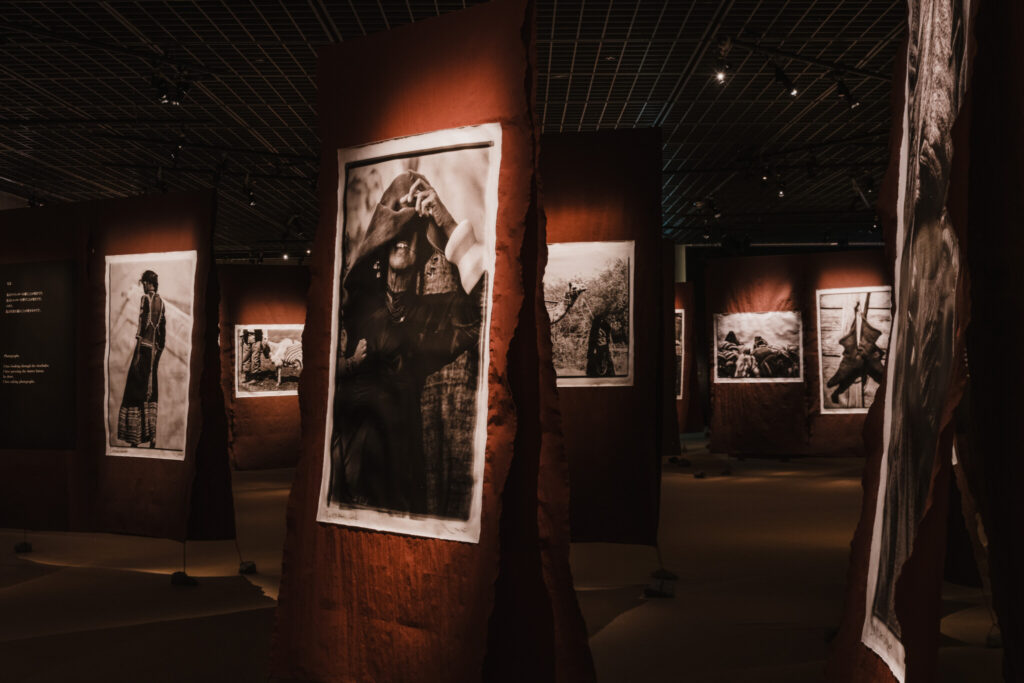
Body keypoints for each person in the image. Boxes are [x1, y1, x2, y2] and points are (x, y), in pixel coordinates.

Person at [328, 170, 487, 516]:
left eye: (413, 232)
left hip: (402, 469)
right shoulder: (355, 306)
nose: (403, 240)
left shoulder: (426, 317)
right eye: (395, 231)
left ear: (424, 250)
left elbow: (483, 316)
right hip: (351, 466)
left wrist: (446, 224)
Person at [117, 269, 166, 448]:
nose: (143, 286)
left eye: (144, 283)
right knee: (150, 391)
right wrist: (158, 352)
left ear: (147, 282)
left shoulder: (145, 299)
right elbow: (162, 333)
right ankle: (151, 437)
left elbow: (142, 325)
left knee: (135, 389)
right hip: (154, 351)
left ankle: (134, 439)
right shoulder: (162, 303)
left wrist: (137, 353)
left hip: (144, 350)